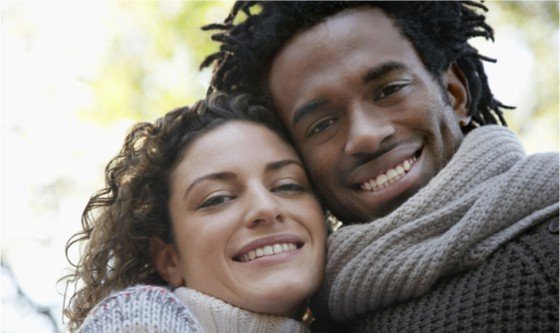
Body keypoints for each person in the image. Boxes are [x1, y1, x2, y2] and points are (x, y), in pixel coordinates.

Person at [201, 2, 559, 332]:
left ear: (454, 93)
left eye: (389, 90)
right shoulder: (310, 316)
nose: (366, 137)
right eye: (322, 125)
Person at [61, 93, 327, 332]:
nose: (266, 208)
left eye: (287, 185)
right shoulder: (137, 321)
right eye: (218, 198)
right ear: (169, 260)